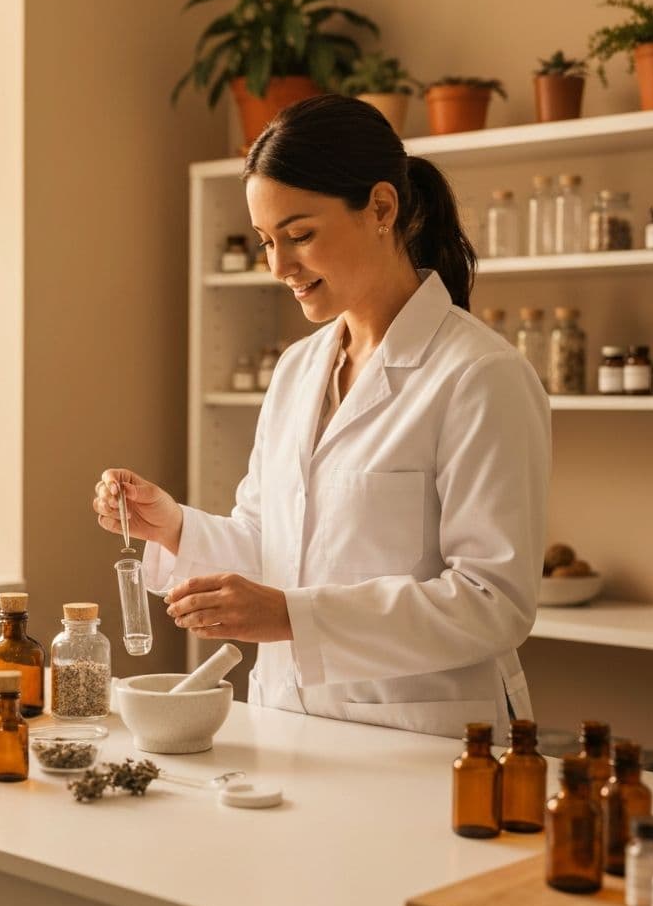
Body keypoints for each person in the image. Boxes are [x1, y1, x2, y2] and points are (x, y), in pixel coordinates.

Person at [93, 94, 550, 738]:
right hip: (286, 723)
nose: (279, 266)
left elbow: (491, 603)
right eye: (266, 242)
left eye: (300, 235)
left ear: (382, 208)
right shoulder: (298, 370)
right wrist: (172, 527)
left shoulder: (480, 375)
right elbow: (273, 546)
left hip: (423, 742)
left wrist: (291, 620)